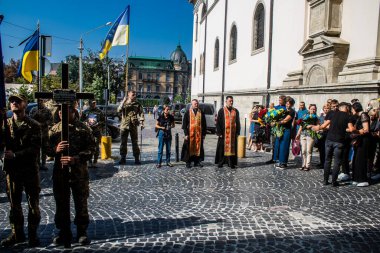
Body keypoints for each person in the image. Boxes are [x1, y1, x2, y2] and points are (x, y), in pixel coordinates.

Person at [47, 105, 95, 247]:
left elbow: (92, 149)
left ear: (73, 111)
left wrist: (76, 158)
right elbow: (46, 149)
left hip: (79, 173)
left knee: (81, 203)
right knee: (61, 203)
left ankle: (81, 232)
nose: (61, 112)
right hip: (60, 173)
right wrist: (55, 150)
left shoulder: (83, 128)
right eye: (60, 110)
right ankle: (63, 232)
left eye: (65, 110)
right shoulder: (54, 129)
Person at [0, 94, 41, 247]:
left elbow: (35, 149)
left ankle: (32, 234)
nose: (14, 103)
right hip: (12, 171)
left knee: (33, 204)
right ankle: (17, 234)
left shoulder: (34, 125)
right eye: (11, 101)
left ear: (25, 104)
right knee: (14, 205)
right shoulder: (5, 124)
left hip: (29, 169)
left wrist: (16, 154)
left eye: (18, 101)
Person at [312, 102, 351, 187]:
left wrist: (316, 127)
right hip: (339, 141)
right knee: (337, 162)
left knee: (327, 160)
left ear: (339, 108)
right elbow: (351, 129)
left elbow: (324, 126)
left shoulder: (333, 114)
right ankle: (334, 181)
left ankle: (325, 180)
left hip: (329, 140)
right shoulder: (348, 116)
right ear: (346, 108)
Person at [117, 90, 145, 165]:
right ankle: (123, 158)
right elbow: (119, 110)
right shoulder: (124, 103)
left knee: (135, 142)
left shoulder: (137, 104)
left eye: (135, 94)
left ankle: (136, 158)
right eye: (133, 94)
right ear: (128, 95)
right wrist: (123, 101)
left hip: (133, 125)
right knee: (123, 143)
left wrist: (142, 122)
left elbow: (141, 113)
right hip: (124, 126)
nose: (134, 96)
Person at [348, 102, 370, 187]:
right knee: (356, 160)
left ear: (355, 108)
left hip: (364, 140)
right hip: (359, 140)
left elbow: (366, 129)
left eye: (352, 109)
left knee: (361, 160)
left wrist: (355, 131)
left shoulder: (363, 115)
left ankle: (362, 179)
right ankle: (356, 178)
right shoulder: (358, 116)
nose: (351, 111)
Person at [215, 96, 241, 168]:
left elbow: (237, 122)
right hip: (223, 133)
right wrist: (219, 133)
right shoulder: (221, 110)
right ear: (226, 101)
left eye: (232, 101)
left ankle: (231, 162)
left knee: (231, 148)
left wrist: (238, 132)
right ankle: (221, 162)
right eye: (230, 101)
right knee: (222, 148)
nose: (231, 102)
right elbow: (218, 123)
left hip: (232, 134)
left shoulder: (235, 111)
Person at [181, 99, 207, 168]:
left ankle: (197, 162)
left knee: (198, 148)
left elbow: (204, 124)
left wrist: (204, 134)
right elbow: (184, 124)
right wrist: (186, 134)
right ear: (192, 104)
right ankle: (188, 162)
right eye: (195, 103)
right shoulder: (188, 112)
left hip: (199, 134)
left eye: (197, 103)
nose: (196, 104)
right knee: (188, 148)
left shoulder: (201, 112)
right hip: (190, 134)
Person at [29, 98, 53, 171]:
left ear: (43, 102)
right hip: (35, 133)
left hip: (44, 132)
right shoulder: (33, 109)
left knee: (44, 149)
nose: (39, 102)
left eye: (41, 101)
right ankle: (37, 164)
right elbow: (29, 118)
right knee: (36, 149)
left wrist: (44, 124)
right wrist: (35, 118)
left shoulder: (47, 110)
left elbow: (51, 119)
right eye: (38, 101)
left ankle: (43, 164)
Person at [80, 100, 105, 166]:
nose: (93, 104)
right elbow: (81, 121)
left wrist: (98, 123)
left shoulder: (99, 111)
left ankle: (95, 161)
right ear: (89, 103)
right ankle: (89, 161)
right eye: (92, 103)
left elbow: (103, 121)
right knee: (88, 146)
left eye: (94, 103)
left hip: (96, 131)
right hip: (88, 131)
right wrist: (85, 123)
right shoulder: (85, 111)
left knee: (96, 146)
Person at [273, 96, 296, 169]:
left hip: (287, 130)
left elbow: (286, 120)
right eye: (286, 103)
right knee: (279, 146)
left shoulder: (292, 111)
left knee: (284, 146)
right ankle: (279, 161)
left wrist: (277, 122)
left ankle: (284, 163)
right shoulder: (283, 110)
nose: (287, 105)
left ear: (291, 104)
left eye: (289, 104)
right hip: (280, 129)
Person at [295, 104, 319, 171]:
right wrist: (298, 134)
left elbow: (318, 126)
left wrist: (311, 125)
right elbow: (301, 125)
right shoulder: (305, 116)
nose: (313, 110)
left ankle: (307, 165)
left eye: (314, 109)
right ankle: (303, 164)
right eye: (311, 109)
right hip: (303, 134)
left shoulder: (316, 117)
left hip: (311, 135)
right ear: (309, 109)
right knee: (303, 150)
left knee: (309, 150)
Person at [266, 96, 286, 164]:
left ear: (284, 101)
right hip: (274, 128)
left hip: (280, 128)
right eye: (279, 100)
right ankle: (273, 158)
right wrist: (270, 122)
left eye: (281, 100)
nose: (279, 101)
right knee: (274, 144)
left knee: (279, 144)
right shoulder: (276, 107)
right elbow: (270, 114)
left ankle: (278, 158)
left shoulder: (285, 108)